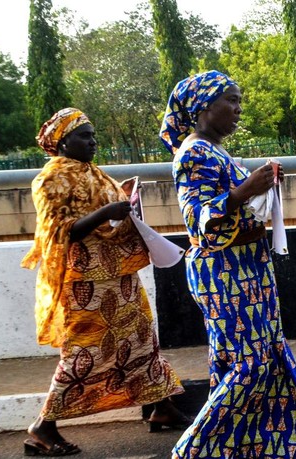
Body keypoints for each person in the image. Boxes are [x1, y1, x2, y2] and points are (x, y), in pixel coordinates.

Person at [160, 71, 296, 459]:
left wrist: (261, 187)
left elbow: (237, 205)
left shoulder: (215, 152)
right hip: (226, 273)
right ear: (204, 106)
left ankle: (242, 449)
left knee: (245, 359)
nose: (238, 110)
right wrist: (246, 190)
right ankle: (193, 452)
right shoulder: (194, 153)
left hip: (247, 269)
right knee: (251, 364)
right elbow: (199, 223)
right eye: (231, 101)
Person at [21, 108, 189, 456]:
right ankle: (43, 427)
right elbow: (59, 232)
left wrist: (126, 206)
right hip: (85, 284)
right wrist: (106, 213)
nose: (93, 142)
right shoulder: (51, 179)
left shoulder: (93, 173)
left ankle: (162, 407)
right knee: (85, 352)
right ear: (63, 141)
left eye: (94, 136)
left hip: (118, 277)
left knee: (142, 340)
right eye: (85, 136)